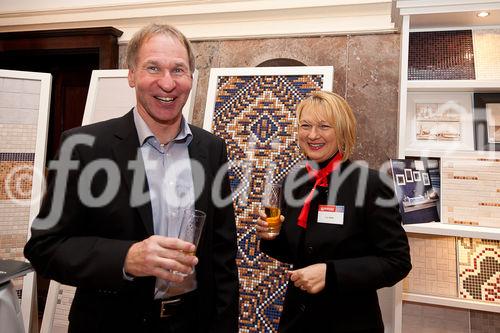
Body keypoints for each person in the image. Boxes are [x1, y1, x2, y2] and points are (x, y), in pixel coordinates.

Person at [24, 23, 239, 333]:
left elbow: (222, 254)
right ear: (131, 74)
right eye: (153, 68)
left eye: (178, 70)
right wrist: (126, 258)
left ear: (191, 78)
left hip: (194, 322)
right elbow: (44, 249)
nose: (168, 83)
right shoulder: (83, 148)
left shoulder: (211, 148)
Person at [257, 91, 411, 333]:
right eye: (305, 126)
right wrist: (270, 236)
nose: (313, 135)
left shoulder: (371, 185)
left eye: (324, 126)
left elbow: (397, 262)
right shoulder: (293, 183)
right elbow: (295, 252)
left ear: (342, 132)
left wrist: (331, 273)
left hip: (350, 321)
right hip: (297, 321)